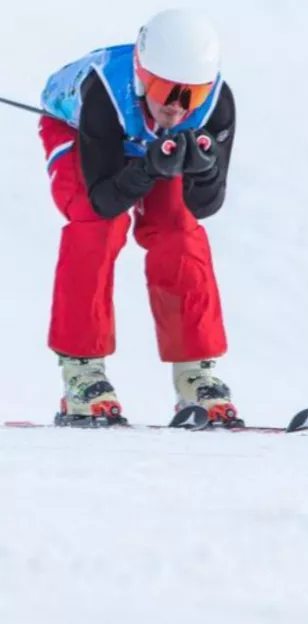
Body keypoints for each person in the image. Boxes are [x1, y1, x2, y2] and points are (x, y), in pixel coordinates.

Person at [37, 8, 241, 427]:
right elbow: (102, 201)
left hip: (148, 150)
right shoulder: (104, 94)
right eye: (167, 90)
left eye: (193, 94)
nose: (178, 108)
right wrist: (147, 169)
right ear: (143, 75)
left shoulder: (216, 106)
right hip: (80, 131)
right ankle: (82, 371)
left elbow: (207, 204)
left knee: (179, 230)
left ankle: (194, 375)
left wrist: (202, 170)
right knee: (96, 228)